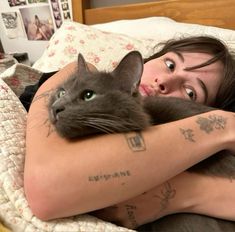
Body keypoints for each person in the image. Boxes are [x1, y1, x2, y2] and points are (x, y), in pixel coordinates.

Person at [24, 36, 235, 229]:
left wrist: (177, 195)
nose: (163, 82)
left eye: (190, 92)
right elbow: (46, 189)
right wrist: (224, 126)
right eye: (170, 65)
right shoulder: (80, 72)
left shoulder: (189, 143)